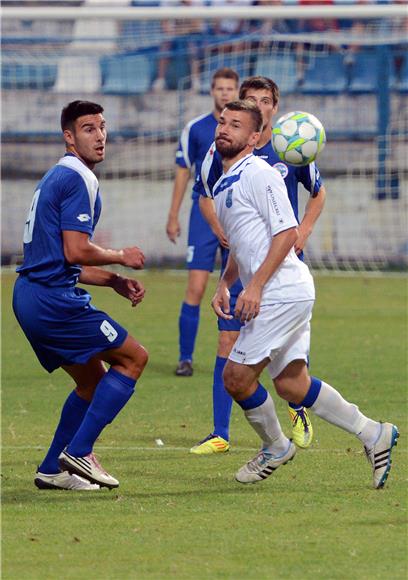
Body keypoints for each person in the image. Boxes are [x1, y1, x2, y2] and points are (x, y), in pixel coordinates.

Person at [205, 99, 399, 489]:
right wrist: (226, 282)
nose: (225, 128)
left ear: (255, 137)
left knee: (236, 377)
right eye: (223, 122)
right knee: (293, 384)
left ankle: (275, 446)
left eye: (237, 125)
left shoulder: (259, 173)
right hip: (283, 291)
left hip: (280, 292)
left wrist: (255, 286)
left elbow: (286, 233)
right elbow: (244, 246)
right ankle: (373, 433)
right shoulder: (224, 181)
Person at [12, 100, 149, 491]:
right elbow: (75, 250)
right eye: (88, 128)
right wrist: (122, 256)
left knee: (91, 381)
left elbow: (60, 257)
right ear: (68, 137)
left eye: (103, 127)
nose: (100, 135)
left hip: (31, 295)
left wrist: (113, 280)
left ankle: (53, 469)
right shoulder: (77, 179)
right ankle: (81, 451)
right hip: (53, 300)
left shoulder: (57, 176)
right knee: (134, 358)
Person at [190, 76, 325, 454]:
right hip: (239, 264)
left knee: (286, 352)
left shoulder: (290, 147)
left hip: (280, 268)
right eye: (251, 100)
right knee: (227, 340)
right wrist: (222, 231)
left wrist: (304, 230)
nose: (259, 106)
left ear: (274, 108)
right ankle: (221, 432)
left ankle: (297, 409)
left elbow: (318, 193)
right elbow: (205, 195)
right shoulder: (221, 153)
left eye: (265, 101)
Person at [166, 67, 239, 376]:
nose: (225, 93)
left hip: (237, 213)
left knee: (238, 287)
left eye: (230, 89)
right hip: (202, 214)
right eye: (219, 88)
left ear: (237, 91)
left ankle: (239, 357)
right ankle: (186, 358)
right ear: (212, 91)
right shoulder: (195, 129)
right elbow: (184, 171)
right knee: (196, 287)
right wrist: (173, 214)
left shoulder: (247, 128)